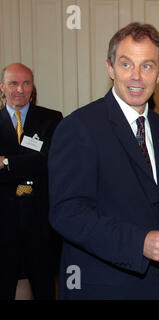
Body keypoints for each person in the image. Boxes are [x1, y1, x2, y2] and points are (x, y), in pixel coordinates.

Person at [48, 22, 159, 300]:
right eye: (126, 64)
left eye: (147, 66)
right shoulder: (79, 127)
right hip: (99, 288)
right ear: (110, 68)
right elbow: (67, 213)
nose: (136, 76)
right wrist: (139, 243)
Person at [0, 63, 63, 300]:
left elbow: (49, 161)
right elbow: (35, 163)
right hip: (3, 223)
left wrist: (6, 163)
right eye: (13, 83)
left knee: (45, 286)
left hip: (40, 222)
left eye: (26, 83)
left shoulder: (51, 119)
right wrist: (28, 165)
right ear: (2, 88)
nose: (20, 89)